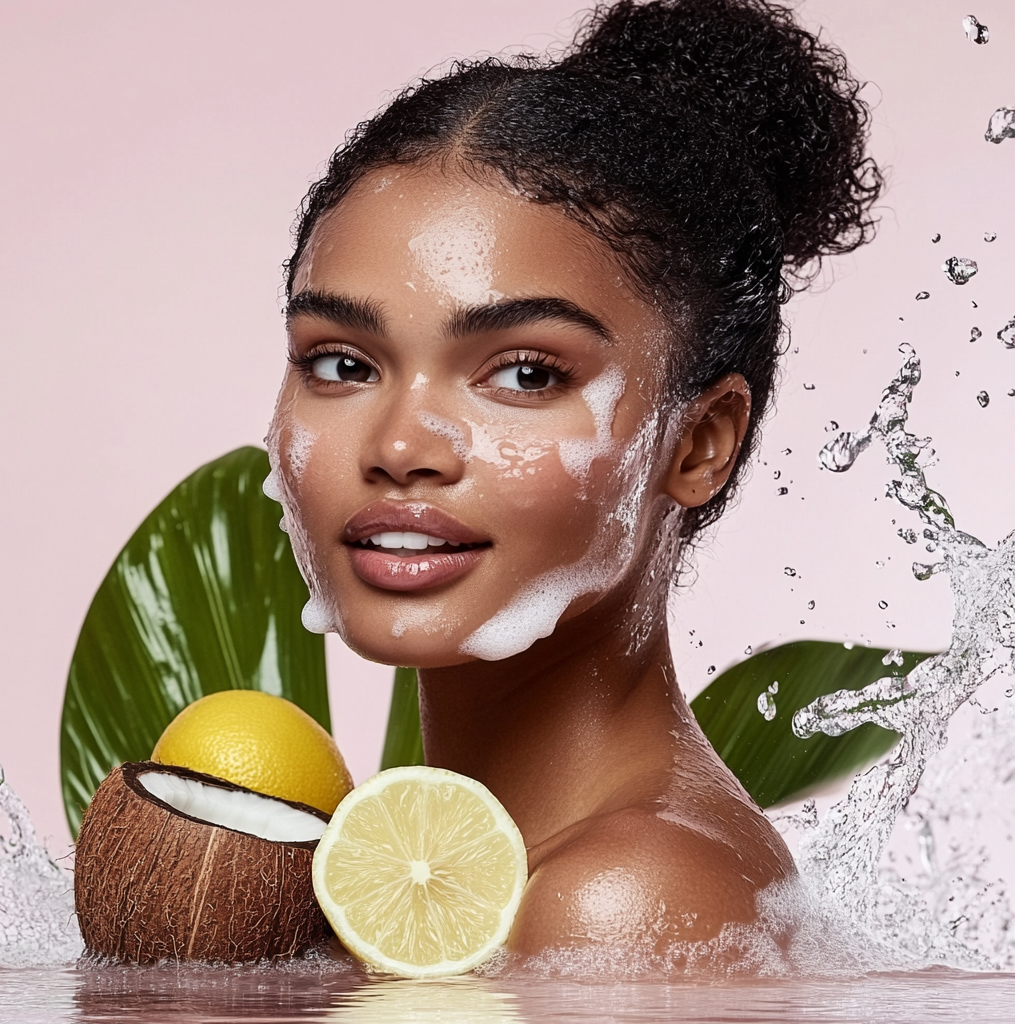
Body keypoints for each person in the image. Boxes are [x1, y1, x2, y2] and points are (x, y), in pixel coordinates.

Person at [265, 0, 881, 965]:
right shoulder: (476, 888)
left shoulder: (621, 905)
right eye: (343, 362)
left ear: (699, 442)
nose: (399, 444)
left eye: (524, 373)